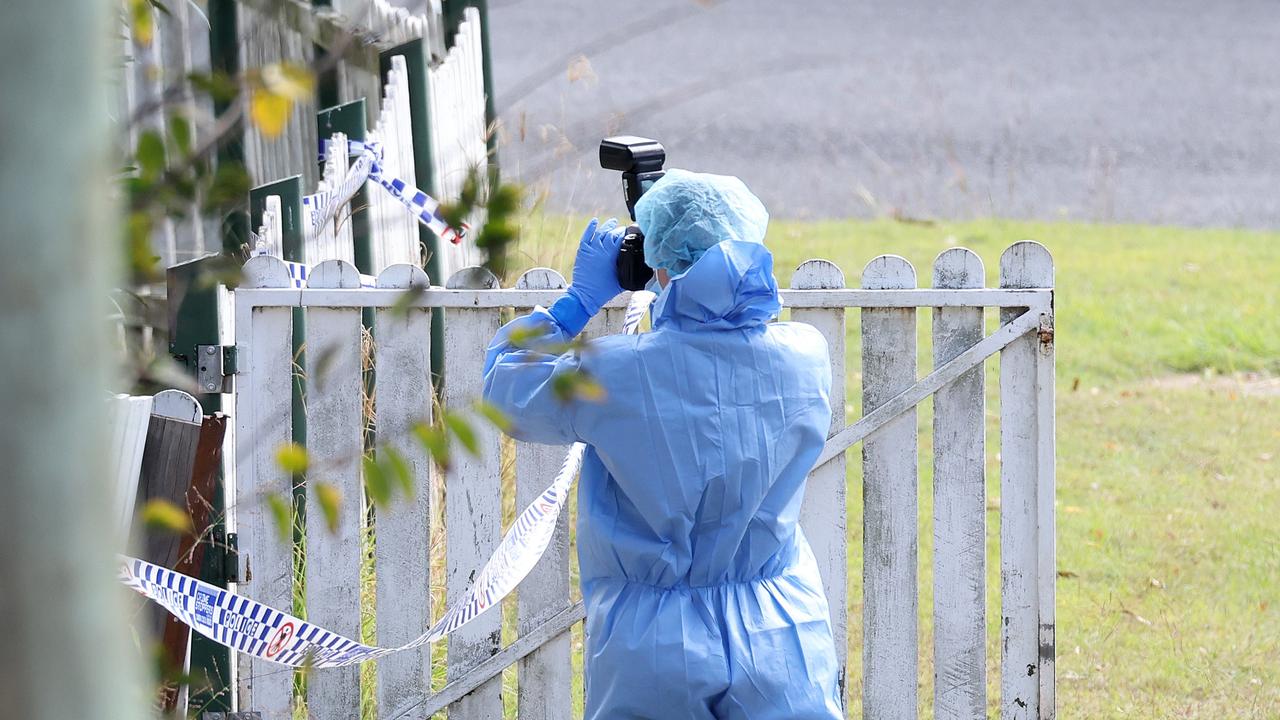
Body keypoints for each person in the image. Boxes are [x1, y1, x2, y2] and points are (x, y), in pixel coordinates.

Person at [483, 169, 843, 719]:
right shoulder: (805, 355)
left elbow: (504, 388)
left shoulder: (615, 373)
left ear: (659, 266)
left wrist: (577, 303)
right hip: (782, 626)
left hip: (653, 642)